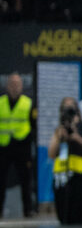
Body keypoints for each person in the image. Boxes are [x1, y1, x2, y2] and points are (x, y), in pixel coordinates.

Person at [48, 97, 82, 224]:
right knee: (63, 214)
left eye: (71, 108)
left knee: (80, 214)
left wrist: (77, 138)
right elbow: (51, 154)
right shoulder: (59, 130)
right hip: (63, 176)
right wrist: (60, 137)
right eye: (65, 108)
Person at [0, 73, 36, 217]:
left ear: (22, 86)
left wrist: (27, 139)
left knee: (25, 180)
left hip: (22, 146)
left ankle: (28, 210)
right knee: (1, 180)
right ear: (7, 86)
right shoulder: (1, 102)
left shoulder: (28, 102)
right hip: (3, 146)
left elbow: (33, 125)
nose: (14, 87)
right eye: (12, 84)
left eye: (17, 85)